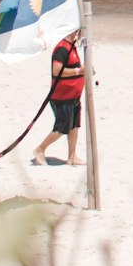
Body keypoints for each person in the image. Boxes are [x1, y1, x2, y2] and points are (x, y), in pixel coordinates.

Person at [31, 32, 88, 167]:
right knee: (62, 128)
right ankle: (40, 149)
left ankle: (72, 156)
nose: (79, 34)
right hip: (61, 96)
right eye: (77, 31)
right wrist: (78, 71)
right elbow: (56, 71)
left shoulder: (72, 47)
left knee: (74, 126)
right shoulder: (61, 48)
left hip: (74, 95)